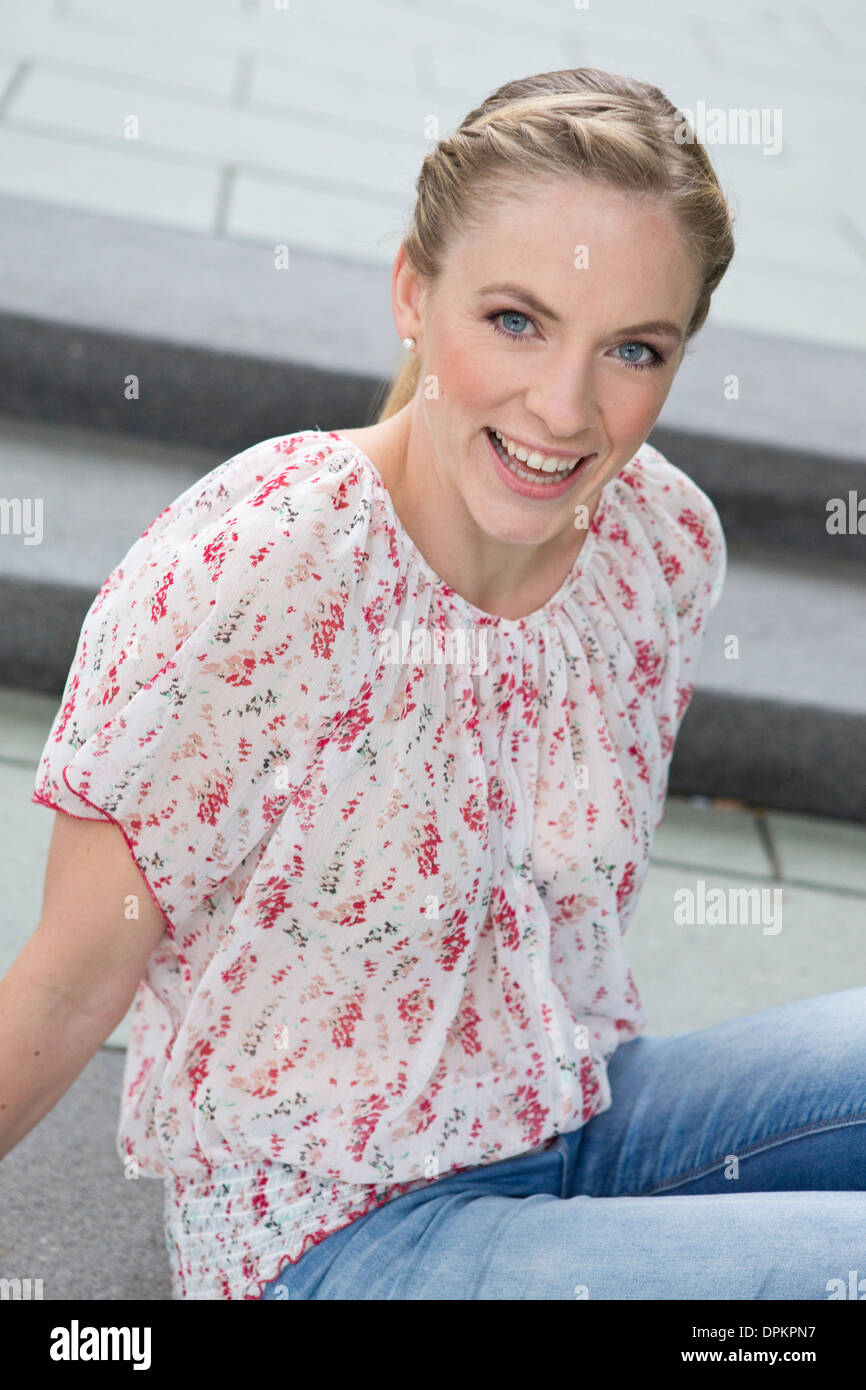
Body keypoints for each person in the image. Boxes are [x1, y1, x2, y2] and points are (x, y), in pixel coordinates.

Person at [2, 67, 863, 1302]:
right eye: (514, 319)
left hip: (568, 1113)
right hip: (332, 1231)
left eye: (630, 347)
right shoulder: (262, 569)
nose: (563, 408)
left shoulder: (657, 545)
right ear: (413, 289)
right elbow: (72, 976)